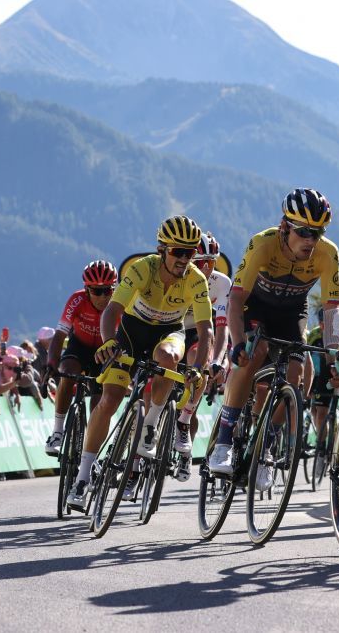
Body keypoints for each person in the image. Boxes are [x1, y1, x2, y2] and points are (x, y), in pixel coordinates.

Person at [67, 218, 213, 510]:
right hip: (132, 331)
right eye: (177, 252)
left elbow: (205, 328)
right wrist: (109, 342)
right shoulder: (142, 268)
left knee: (170, 358)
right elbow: (113, 311)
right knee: (109, 399)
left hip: (169, 332)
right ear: (162, 249)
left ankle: (150, 425)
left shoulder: (196, 279)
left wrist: (198, 367)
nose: (184, 259)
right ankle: (83, 477)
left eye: (190, 252)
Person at [207, 189, 339, 494]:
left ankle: (265, 448)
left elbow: (332, 310)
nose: (311, 240)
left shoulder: (327, 253)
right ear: (285, 226)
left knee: (297, 376)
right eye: (304, 232)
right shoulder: (263, 243)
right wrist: (239, 344)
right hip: (255, 307)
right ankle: (224, 442)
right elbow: (237, 296)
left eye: (318, 233)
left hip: (293, 310)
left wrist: (333, 359)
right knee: (256, 352)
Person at [42, 260, 118, 457]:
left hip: (105, 352)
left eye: (107, 291)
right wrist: (51, 363)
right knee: (67, 373)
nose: (102, 296)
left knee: (99, 402)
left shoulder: (120, 303)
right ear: (86, 289)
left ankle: (92, 450)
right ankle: (57, 432)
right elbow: (59, 336)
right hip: (79, 347)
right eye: (96, 291)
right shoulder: (77, 300)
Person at [173, 231, 232, 482]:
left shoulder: (221, 283)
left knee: (200, 358)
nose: (205, 268)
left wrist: (217, 360)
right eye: (199, 263)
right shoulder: (178, 278)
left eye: (210, 263)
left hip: (200, 332)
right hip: (174, 328)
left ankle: (184, 425)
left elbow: (221, 328)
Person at [304, 307, 339, 438]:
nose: (326, 328)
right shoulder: (314, 335)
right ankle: (322, 449)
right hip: (323, 372)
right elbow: (306, 361)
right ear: (320, 323)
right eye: (323, 324)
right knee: (319, 413)